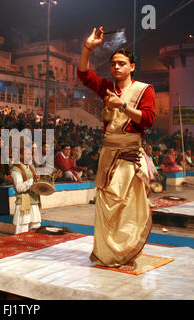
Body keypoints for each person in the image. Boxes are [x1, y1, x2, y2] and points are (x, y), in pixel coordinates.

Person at [78, 26, 155, 271]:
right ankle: (106, 253)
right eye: (113, 64)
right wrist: (88, 48)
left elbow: (148, 120)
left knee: (128, 207)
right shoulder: (106, 88)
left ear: (132, 66)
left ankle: (125, 254)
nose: (116, 67)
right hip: (108, 154)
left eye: (121, 63)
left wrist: (122, 106)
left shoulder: (144, 90)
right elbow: (83, 75)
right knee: (105, 204)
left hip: (130, 156)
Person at [10, 144, 41, 234]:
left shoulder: (31, 167)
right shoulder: (16, 170)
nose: (30, 156)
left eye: (31, 154)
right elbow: (19, 188)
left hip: (34, 200)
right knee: (22, 227)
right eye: (27, 154)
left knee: (36, 225)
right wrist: (32, 180)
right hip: (24, 200)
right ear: (21, 155)